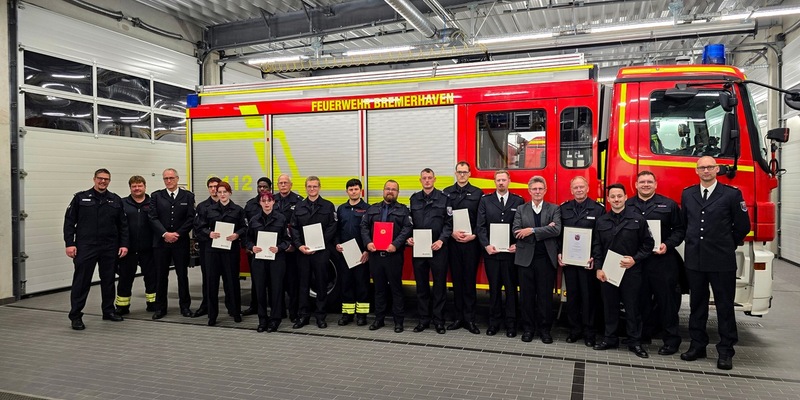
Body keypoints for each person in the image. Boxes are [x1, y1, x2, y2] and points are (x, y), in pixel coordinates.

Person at [680, 156, 750, 370]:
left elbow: (742, 226)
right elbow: (685, 223)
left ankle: (726, 351)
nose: (706, 170)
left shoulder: (731, 194)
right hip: (695, 260)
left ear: (717, 169)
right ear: (696, 171)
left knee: (724, 307)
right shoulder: (688, 194)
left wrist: (726, 244)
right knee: (697, 306)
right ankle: (697, 346)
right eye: (702, 167)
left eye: (710, 167)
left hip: (721, 260)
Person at [626, 171, 685, 356]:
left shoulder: (668, 205)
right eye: (642, 182)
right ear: (635, 185)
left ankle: (671, 341)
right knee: (640, 302)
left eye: (649, 182)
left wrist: (667, 245)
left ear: (655, 184)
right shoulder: (628, 205)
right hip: (638, 262)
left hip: (662, 261)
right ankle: (642, 337)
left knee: (667, 302)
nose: (645, 185)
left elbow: (680, 230)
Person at [592, 183, 654, 359]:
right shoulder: (602, 221)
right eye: (613, 197)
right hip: (607, 272)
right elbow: (597, 245)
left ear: (626, 197)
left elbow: (648, 244)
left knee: (632, 308)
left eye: (620, 196)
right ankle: (609, 338)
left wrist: (635, 259)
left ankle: (635, 342)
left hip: (631, 272)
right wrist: (598, 268)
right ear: (609, 199)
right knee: (609, 307)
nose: (616, 199)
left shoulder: (638, 220)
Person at [63, 168, 129, 330]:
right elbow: (69, 222)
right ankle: (76, 315)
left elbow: (123, 225)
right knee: (82, 281)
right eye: (100, 178)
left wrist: (124, 244)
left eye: (106, 179)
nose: (103, 181)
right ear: (94, 179)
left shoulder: (115, 200)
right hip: (86, 246)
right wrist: (69, 243)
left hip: (109, 246)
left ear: (109, 181)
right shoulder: (80, 198)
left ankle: (108, 311)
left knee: (108, 281)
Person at [512, 176, 561, 344]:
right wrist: (546, 228)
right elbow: (516, 231)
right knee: (526, 297)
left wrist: (531, 230)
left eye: (541, 189)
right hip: (525, 260)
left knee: (545, 297)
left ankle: (545, 330)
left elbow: (557, 230)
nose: (538, 192)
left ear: (545, 190)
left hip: (546, 260)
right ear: (529, 191)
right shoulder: (521, 209)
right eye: (534, 189)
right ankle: (528, 329)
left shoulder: (554, 209)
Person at [360, 180, 413, 333]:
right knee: (379, 289)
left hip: (394, 256)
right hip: (376, 256)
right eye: (388, 189)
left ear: (398, 193)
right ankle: (379, 319)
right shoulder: (372, 209)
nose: (390, 191)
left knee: (396, 289)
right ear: (383, 191)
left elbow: (407, 228)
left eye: (394, 189)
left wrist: (396, 244)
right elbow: (363, 227)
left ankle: (398, 322)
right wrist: (368, 243)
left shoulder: (403, 210)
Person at [477, 170, 524, 337]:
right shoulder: (486, 201)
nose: (501, 183)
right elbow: (480, 226)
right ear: (494, 182)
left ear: (509, 181)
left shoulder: (518, 201)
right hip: (492, 254)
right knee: (494, 290)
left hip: (511, 255)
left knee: (511, 290)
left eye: (504, 180)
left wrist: (518, 244)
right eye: (498, 180)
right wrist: (486, 245)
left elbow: (522, 226)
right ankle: (494, 323)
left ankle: (511, 325)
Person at [558, 176, 605, 347]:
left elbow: (600, 237)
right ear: (571, 190)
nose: (578, 190)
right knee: (572, 297)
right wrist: (559, 253)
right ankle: (574, 330)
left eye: (581, 187)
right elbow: (558, 235)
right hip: (569, 262)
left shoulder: (598, 209)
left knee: (588, 298)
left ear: (587, 188)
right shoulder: (564, 209)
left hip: (587, 263)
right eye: (575, 187)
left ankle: (589, 332)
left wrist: (594, 257)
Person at [194, 181, 247, 326]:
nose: (222, 195)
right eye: (220, 192)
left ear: (230, 193)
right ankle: (212, 315)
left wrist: (237, 235)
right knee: (212, 283)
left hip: (230, 251)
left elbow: (244, 227)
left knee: (232, 282)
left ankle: (236, 313)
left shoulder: (238, 210)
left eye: (225, 192)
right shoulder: (208, 210)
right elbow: (200, 227)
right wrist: (209, 233)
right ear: (216, 194)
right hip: (212, 251)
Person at [407, 168, 452, 334]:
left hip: (438, 248)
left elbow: (449, 223)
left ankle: (439, 321)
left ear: (435, 179)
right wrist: (409, 238)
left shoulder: (444, 198)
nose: (427, 180)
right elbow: (409, 223)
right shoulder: (414, 199)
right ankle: (423, 320)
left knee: (439, 286)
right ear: (420, 181)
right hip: (419, 248)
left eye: (429, 178)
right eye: (424, 178)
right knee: (421, 286)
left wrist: (441, 240)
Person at [289, 176, 337, 329]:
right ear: (305, 188)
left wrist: (319, 243)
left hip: (321, 252)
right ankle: (303, 316)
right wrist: (299, 245)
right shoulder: (299, 207)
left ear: (319, 187)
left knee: (321, 284)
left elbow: (332, 227)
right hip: (303, 251)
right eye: (309, 186)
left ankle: (321, 316)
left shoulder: (328, 206)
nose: (312, 189)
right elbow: (294, 228)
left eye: (315, 186)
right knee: (303, 284)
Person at [149, 168, 196, 319]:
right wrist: (165, 234)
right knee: (161, 276)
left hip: (180, 242)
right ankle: (160, 308)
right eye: (165, 179)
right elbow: (152, 217)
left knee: (182, 275)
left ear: (177, 178)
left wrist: (178, 234)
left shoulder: (187, 196)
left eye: (171, 178)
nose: (168, 181)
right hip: (161, 243)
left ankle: (185, 307)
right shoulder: (156, 196)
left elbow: (190, 218)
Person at [442, 161, 483, 332]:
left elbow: (482, 218)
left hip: (471, 243)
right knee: (457, 281)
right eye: (459, 172)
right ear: (455, 173)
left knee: (469, 281)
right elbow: (443, 218)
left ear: (470, 174)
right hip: (453, 243)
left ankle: (470, 319)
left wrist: (474, 235)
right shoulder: (446, 193)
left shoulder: (478, 193)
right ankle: (458, 318)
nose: (462, 175)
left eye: (465, 172)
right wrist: (451, 233)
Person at [246, 192, 290, 332]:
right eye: (263, 201)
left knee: (276, 290)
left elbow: (287, 240)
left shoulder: (281, 219)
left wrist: (279, 248)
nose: (266, 203)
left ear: (273, 202)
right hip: (259, 260)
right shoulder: (254, 220)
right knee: (259, 290)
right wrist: (252, 247)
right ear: (260, 203)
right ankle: (262, 320)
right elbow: (247, 240)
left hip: (276, 259)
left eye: (269, 200)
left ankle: (275, 320)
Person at [115, 175, 156, 315]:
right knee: (125, 278)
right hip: (128, 248)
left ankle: (153, 303)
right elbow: (117, 225)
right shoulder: (122, 203)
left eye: (140, 186)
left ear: (145, 186)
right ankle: (122, 306)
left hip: (148, 248)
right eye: (134, 186)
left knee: (151, 277)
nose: (137, 188)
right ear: (130, 188)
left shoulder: (153, 203)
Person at [334, 179, 370, 326]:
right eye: (351, 189)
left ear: (360, 191)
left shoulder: (368, 209)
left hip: (361, 253)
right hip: (345, 254)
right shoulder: (341, 209)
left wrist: (367, 249)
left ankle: (362, 315)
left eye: (356, 189)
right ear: (347, 191)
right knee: (346, 284)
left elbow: (370, 231)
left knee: (362, 284)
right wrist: (336, 244)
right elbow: (336, 230)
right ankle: (347, 314)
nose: (353, 192)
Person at [191, 177, 225, 318]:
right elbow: (198, 227)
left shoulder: (227, 205)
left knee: (228, 278)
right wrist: (209, 234)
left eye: (216, 186)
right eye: (210, 186)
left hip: (225, 248)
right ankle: (206, 306)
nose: (213, 189)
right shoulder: (202, 206)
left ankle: (232, 306)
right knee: (208, 278)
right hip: (208, 247)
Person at [242, 177, 273, 316]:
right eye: (259, 186)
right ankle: (255, 306)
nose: (261, 189)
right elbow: (245, 227)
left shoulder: (274, 203)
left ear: (270, 189)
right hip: (255, 249)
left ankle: (274, 307)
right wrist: (248, 246)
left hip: (272, 250)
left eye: (265, 187)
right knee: (256, 279)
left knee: (273, 280)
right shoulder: (249, 205)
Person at [275, 174, 303, 323]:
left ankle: (294, 313)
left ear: (291, 185)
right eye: (281, 183)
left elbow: (299, 226)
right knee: (277, 282)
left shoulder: (298, 201)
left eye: (286, 183)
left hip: (292, 249)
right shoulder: (271, 200)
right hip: (277, 249)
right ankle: (279, 312)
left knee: (293, 283)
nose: (283, 185)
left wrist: (294, 244)